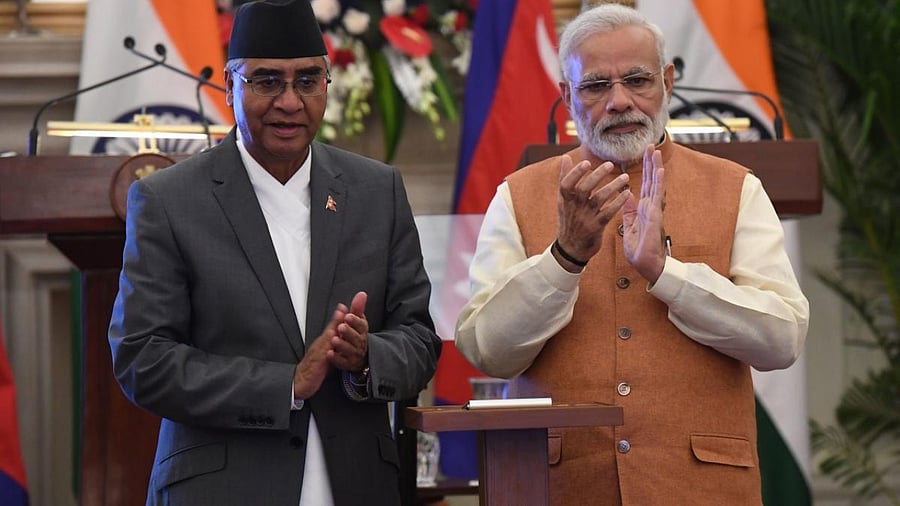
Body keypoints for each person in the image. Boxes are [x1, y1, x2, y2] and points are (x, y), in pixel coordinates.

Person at [454, 4, 809, 505]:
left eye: (637, 80)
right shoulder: (518, 195)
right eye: (596, 86)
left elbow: (782, 339)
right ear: (567, 96)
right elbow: (486, 350)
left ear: (666, 82)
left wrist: (668, 276)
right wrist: (564, 258)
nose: (619, 101)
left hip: (701, 488)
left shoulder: (736, 189)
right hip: (561, 487)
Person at [107, 1, 442, 504]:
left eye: (308, 81)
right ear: (230, 86)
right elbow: (143, 359)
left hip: (357, 485)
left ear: (328, 85)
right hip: (222, 489)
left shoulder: (377, 191)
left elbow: (419, 338)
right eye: (267, 82)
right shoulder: (169, 200)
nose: (290, 102)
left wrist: (367, 357)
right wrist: (286, 383)